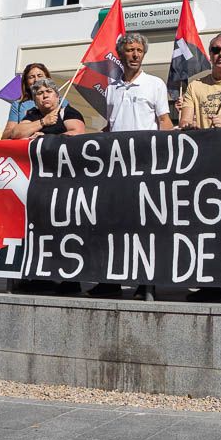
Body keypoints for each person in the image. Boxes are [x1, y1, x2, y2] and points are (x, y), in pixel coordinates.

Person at [93, 32, 173, 299]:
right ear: (121, 54)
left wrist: (163, 159)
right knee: (115, 225)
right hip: (117, 169)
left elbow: (165, 122)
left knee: (144, 226)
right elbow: (111, 125)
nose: (135, 54)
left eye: (139, 50)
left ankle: (145, 283)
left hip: (146, 166)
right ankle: (111, 281)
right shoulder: (112, 88)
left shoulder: (155, 84)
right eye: (130, 50)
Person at [3, 63, 68, 139]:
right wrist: (26, 129)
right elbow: (5, 136)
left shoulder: (61, 101)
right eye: (31, 77)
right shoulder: (18, 105)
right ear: (26, 83)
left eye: (40, 76)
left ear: (47, 78)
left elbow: (70, 128)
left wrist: (46, 136)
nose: (36, 80)